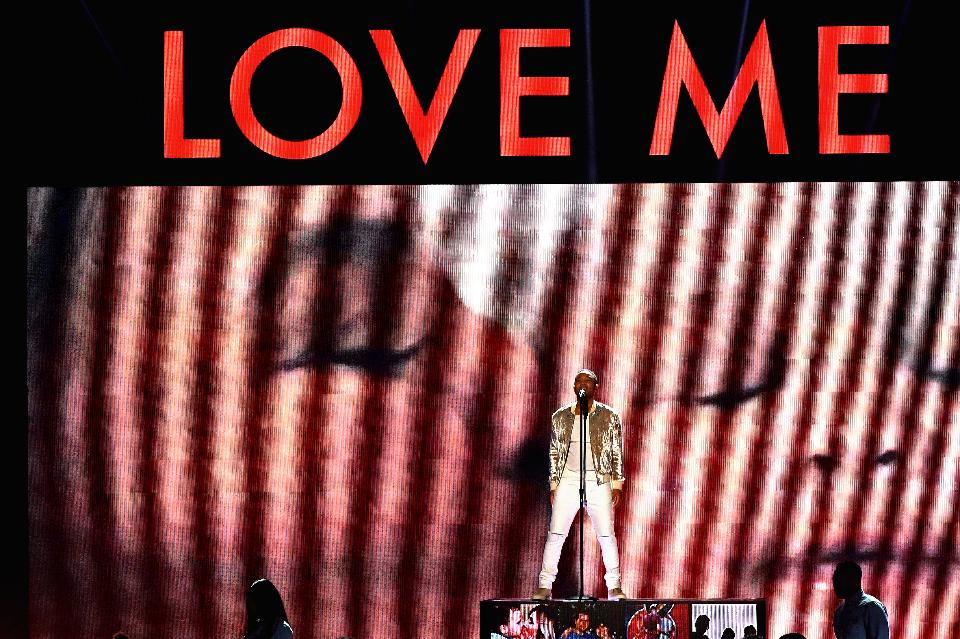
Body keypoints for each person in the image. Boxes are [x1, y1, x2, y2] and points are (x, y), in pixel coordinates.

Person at [531, 369, 627, 600]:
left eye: (587, 381)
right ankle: (545, 585)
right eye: (578, 381)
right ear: (574, 386)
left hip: (598, 478)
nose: (582, 384)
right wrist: (554, 484)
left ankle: (614, 586)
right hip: (568, 478)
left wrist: (616, 484)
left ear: (596, 386)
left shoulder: (609, 416)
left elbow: (616, 451)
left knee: (606, 535)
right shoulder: (560, 417)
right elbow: (555, 452)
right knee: (556, 533)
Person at [832, 561, 890, 639]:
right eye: (834, 580)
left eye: (840, 580)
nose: (835, 585)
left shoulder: (872, 607)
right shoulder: (839, 611)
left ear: (854, 580)